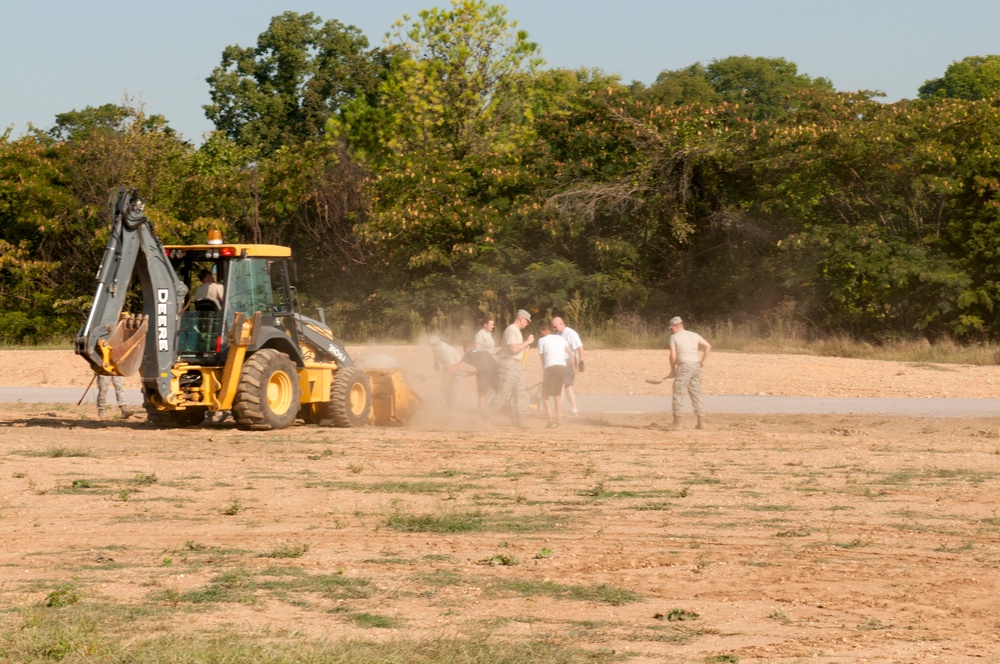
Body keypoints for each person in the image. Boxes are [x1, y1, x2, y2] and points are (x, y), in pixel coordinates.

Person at [487, 309, 535, 426]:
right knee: (504, 393)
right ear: (521, 318)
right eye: (526, 321)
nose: (527, 323)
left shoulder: (516, 331)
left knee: (521, 393)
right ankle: (486, 416)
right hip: (509, 364)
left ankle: (520, 420)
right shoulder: (511, 330)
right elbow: (513, 349)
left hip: (516, 365)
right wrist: (527, 342)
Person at [668, 316, 711, 430]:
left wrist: (673, 370)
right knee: (695, 393)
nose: (670, 330)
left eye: (671, 328)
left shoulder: (674, 337)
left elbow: (672, 357)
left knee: (678, 393)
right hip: (696, 365)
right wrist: (702, 362)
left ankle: (677, 423)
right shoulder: (694, 335)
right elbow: (708, 346)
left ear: (677, 326)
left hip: (684, 365)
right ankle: (701, 422)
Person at [535, 323, 572, 428]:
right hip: (562, 366)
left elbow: (542, 357)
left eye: (540, 332)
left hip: (550, 367)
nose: (540, 334)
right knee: (557, 395)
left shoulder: (541, 341)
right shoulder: (560, 338)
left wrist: (544, 369)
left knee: (545, 394)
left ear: (544, 330)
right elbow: (569, 352)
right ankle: (559, 421)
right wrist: (572, 367)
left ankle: (551, 420)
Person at [447, 341, 498, 415]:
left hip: (484, 373)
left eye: (464, 350)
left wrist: (447, 374)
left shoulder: (469, 354)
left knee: (482, 395)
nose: (464, 352)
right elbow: (487, 365)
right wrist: (472, 373)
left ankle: (482, 415)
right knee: (499, 392)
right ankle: (497, 410)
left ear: (468, 348)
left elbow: (458, 367)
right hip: (496, 369)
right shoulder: (484, 351)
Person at [551, 316, 584, 416]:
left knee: (564, 385)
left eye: (555, 327)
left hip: (569, 361)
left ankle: (560, 410)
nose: (554, 329)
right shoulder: (558, 334)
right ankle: (573, 409)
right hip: (560, 362)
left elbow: (580, 347)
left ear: (561, 323)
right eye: (553, 327)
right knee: (566, 386)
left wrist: (581, 361)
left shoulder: (570, 333)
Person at [429, 335, 463, 409]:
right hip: (448, 365)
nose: (433, 347)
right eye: (432, 346)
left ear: (439, 344)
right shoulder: (436, 349)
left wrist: (444, 384)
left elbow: (451, 370)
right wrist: (436, 366)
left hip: (457, 365)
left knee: (453, 387)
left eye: (434, 346)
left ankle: (455, 409)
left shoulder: (446, 352)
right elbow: (436, 358)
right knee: (446, 387)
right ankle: (447, 405)